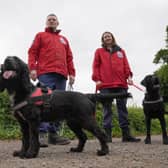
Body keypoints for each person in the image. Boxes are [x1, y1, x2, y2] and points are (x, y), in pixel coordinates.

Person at [28, 13, 76, 147]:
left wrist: (72, 73)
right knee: (42, 102)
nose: (51, 21)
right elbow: (32, 52)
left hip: (61, 75)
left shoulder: (64, 39)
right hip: (45, 73)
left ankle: (54, 135)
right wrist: (32, 68)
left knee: (59, 104)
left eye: (54, 19)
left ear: (58, 23)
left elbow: (69, 58)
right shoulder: (40, 36)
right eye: (49, 19)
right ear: (46, 23)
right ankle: (41, 133)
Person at [92, 31, 141, 143]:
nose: (107, 38)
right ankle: (107, 135)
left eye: (109, 36)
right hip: (105, 85)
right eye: (105, 37)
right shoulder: (99, 51)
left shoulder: (121, 51)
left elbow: (126, 65)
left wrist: (128, 76)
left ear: (112, 38)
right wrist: (97, 79)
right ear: (103, 40)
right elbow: (95, 66)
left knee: (122, 109)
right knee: (107, 109)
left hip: (121, 84)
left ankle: (126, 135)